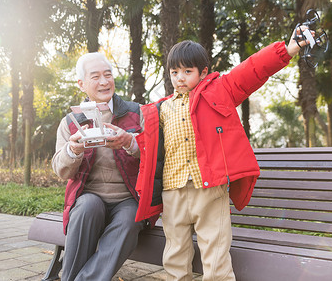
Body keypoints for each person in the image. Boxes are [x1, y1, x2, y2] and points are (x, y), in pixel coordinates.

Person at [134, 27, 313, 280]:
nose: (180, 78)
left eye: (187, 71)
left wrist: (288, 48)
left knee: (216, 256)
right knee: (174, 256)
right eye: (174, 72)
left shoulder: (219, 92)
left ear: (203, 72)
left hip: (210, 190)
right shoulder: (159, 109)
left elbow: (251, 70)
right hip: (173, 193)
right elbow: (148, 152)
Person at [51, 52, 146, 281]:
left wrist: (129, 143)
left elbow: (155, 156)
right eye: (96, 77)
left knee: (131, 217)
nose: (104, 81)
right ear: (82, 84)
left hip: (128, 198)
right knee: (87, 208)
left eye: (108, 75)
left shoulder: (136, 113)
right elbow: (60, 170)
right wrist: (73, 151)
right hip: (89, 196)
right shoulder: (70, 122)